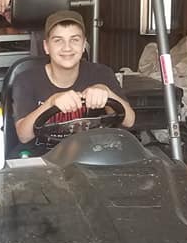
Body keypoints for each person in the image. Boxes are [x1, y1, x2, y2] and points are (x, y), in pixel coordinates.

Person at [12, 10, 135, 144]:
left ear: (83, 45)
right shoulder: (26, 79)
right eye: (58, 40)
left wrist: (106, 92)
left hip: (92, 152)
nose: (67, 48)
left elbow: (129, 121)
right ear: (46, 47)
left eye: (74, 40)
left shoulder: (102, 73)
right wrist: (51, 102)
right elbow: (23, 136)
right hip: (44, 154)